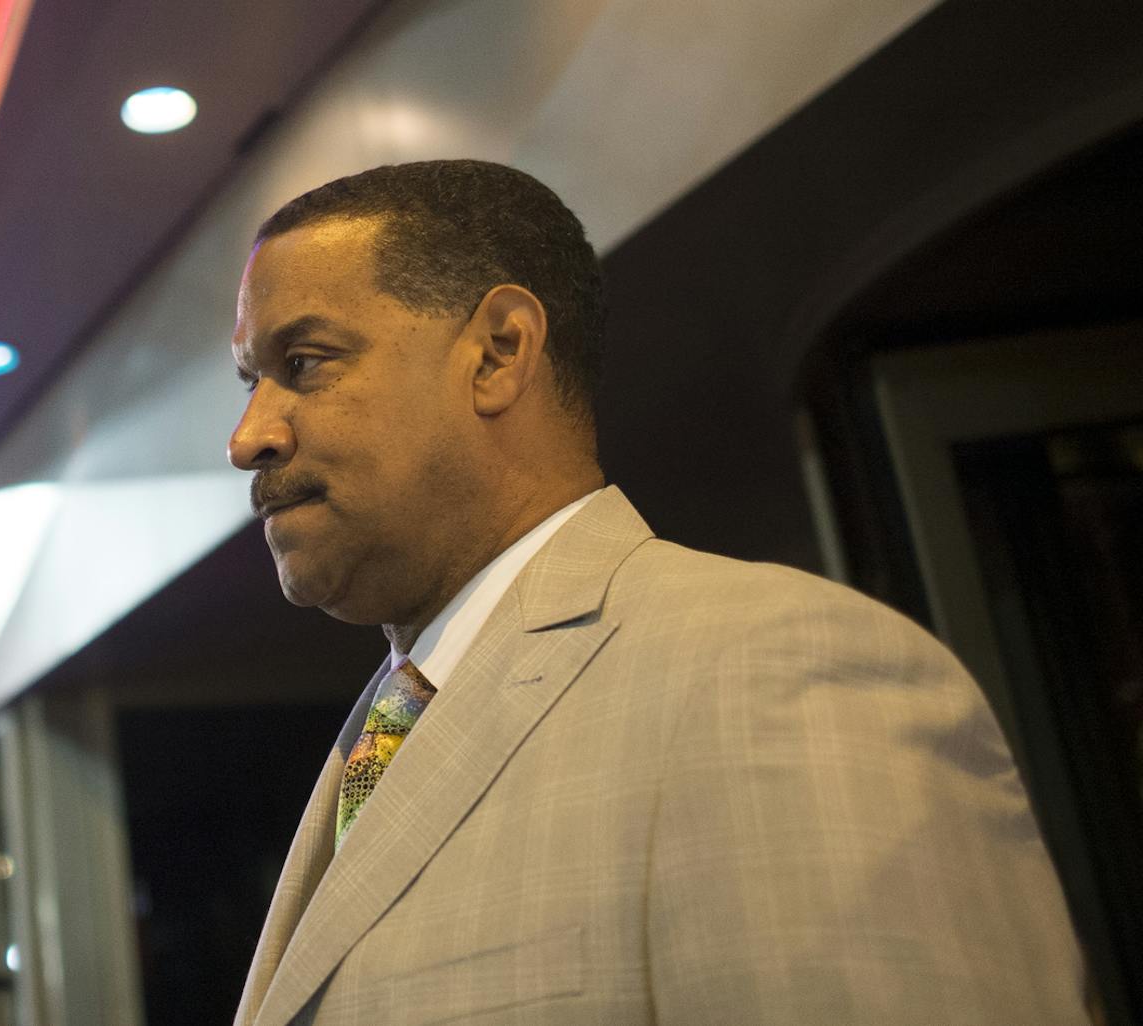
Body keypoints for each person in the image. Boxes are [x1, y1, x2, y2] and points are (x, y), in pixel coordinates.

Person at [224, 160, 1089, 1025]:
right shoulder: (389, 729)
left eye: (304, 362)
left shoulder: (772, 669)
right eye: (249, 381)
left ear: (498, 353)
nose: (248, 436)